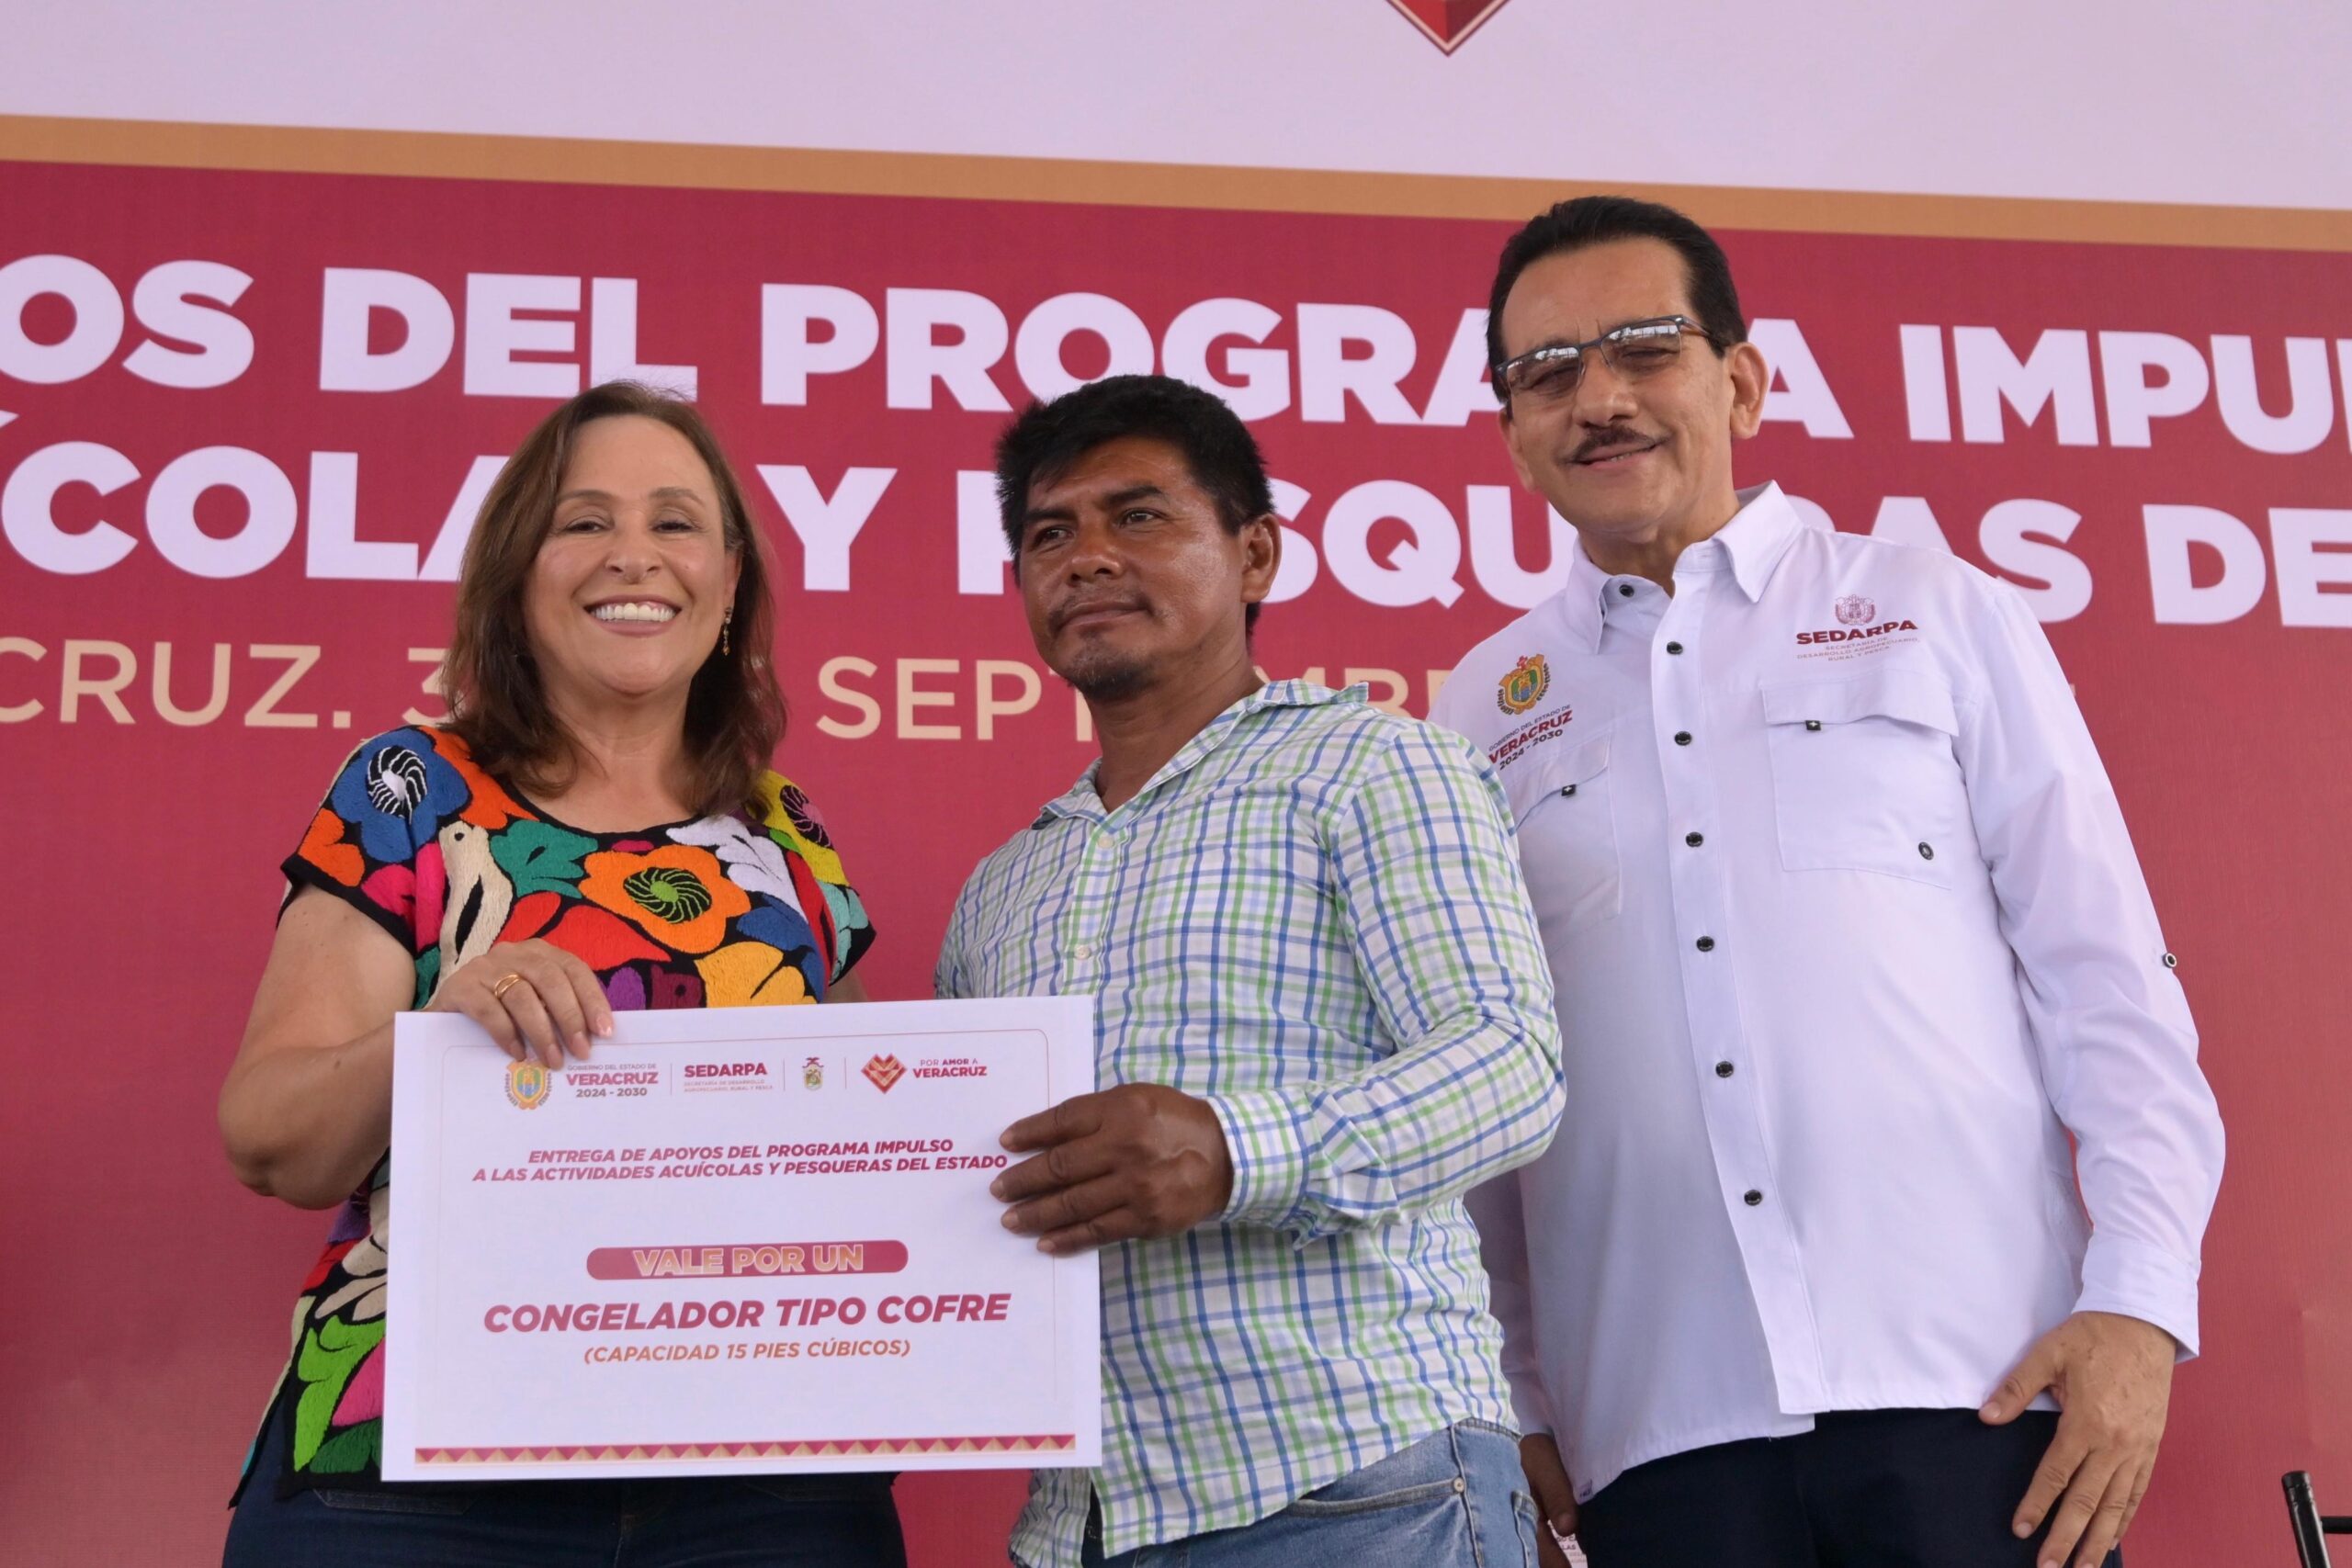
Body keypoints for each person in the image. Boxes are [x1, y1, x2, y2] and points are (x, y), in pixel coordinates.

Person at [1430, 196, 2225, 1568]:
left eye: (1643, 350)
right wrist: (1513, 1395)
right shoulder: (1479, 710)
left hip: (1979, 1391)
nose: (1599, 400)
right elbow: (1484, 1092)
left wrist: (2142, 1302)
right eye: (1547, 373)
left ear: (1740, 381)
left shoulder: (1938, 608)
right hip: (1654, 1431)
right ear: (1512, 430)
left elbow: (2105, 979)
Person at [216, 381, 898, 1566]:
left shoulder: (785, 831)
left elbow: (849, 1149)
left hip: (754, 1472)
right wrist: (440, 1030)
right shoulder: (412, 788)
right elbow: (273, 1141)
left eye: (675, 521)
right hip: (422, 1468)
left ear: (729, 584)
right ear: (517, 576)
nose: (633, 554)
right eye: (584, 522)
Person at [934, 374, 1564, 1568]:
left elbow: (1508, 1067)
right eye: (1049, 535)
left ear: (1256, 554)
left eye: (1140, 516)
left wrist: (1233, 1151)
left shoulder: (1375, 766)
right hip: (1082, 1524)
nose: (1087, 557)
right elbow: (969, 1190)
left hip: (1357, 1489)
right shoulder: (1000, 888)